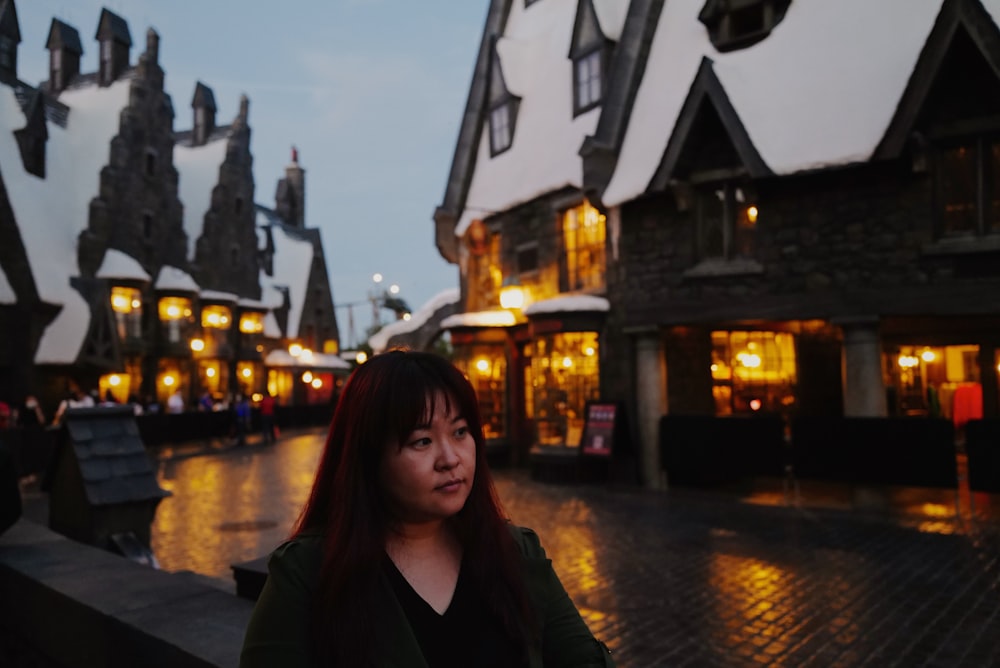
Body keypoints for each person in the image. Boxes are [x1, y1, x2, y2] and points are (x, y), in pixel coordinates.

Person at [240, 350, 614, 667]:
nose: (450, 459)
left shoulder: (515, 552)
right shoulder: (308, 573)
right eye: (422, 441)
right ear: (368, 457)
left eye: (460, 432)